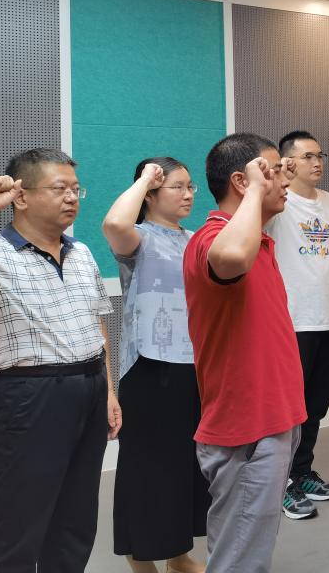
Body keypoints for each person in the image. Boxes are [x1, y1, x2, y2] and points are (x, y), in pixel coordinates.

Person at [181, 133, 305, 573]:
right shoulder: (213, 238)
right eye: (274, 171)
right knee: (239, 562)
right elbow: (231, 256)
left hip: (274, 420)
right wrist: (256, 189)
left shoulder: (260, 242)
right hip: (246, 430)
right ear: (242, 180)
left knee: (247, 553)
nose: (285, 182)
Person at [0, 148, 120, 573]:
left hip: (89, 384)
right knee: (17, 517)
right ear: (21, 196)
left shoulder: (81, 252)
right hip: (28, 394)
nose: (71, 197)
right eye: (58, 188)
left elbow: (97, 326)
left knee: (76, 516)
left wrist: (109, 392)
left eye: (75, 189)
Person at [102, 158, 210, 573]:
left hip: (193, 364)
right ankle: (141, 559)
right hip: (149, 367)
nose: (188, 194)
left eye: (191, 187)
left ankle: (178, 557)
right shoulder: (138, 238)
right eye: (177, 187)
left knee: (184, 466)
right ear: (150, 195)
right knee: (147, 468)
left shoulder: (195, 239)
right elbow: (115, 223)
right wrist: (147, 175)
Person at [265, 131, 329, 520]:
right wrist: (276, 177)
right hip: (290, 321)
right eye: (307, 156)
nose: (317, 162)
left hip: (325, 318)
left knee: (314, 406)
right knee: (287, 408)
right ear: (288, 161)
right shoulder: (277, 201)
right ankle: (280, 482)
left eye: (320, 155)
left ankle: (302, 472)